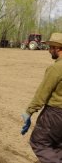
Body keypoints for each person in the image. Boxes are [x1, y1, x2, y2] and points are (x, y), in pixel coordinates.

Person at [21, 32, 62, 163]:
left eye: (51, 47)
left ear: (58, 48)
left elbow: (42, 94)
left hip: (55, 113)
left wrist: (29, 112)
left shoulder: (56, 68)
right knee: (57, 144)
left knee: (39, 141)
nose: (49, 51)